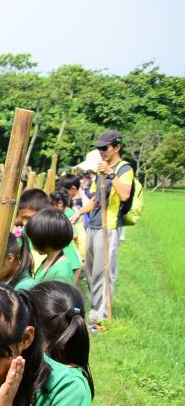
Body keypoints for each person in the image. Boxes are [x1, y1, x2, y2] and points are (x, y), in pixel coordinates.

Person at [85, 130, 135, 326]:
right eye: (99, 148)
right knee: (90, 273)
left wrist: (111, 173)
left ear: (117, 147)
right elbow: (95, 200)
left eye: (105, 148)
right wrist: (79, 215)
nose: (101, 151)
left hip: (109, 226)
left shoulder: (124, 169)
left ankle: (102, 317)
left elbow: (124, 194)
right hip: (93, 224)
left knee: (103, 273)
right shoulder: (101, 168)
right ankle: (95, 310)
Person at [25, 209, 77, 289]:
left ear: (46, 240)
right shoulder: (48, 260)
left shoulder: (62, 272)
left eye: (34, 241)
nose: (33, 246)